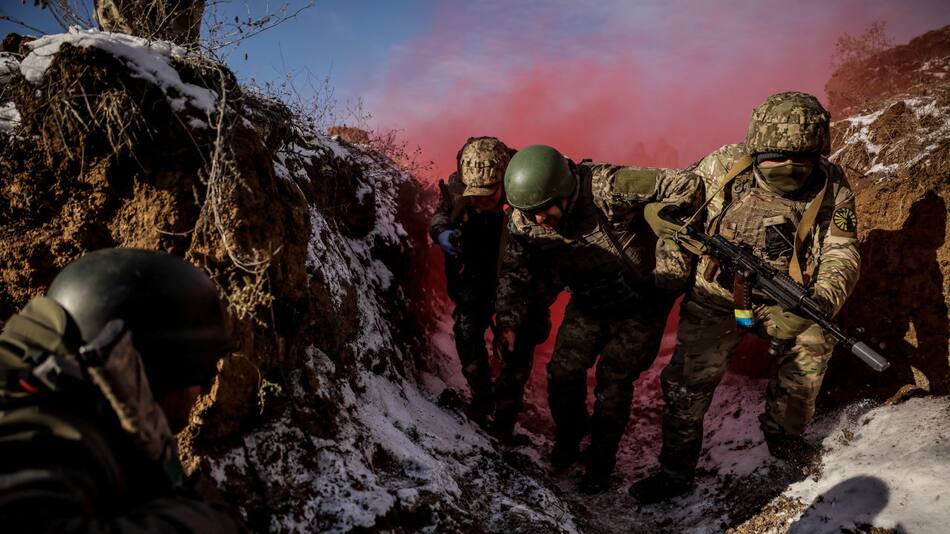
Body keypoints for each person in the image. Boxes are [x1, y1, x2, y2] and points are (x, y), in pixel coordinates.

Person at [631, 91, 862, 503]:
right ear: (755, 148)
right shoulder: (724, 165)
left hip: (781, 300)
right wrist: (658, 212)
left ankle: (784, 438)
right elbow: (677, 194)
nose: (788, 167)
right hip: (715, 295)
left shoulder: (832, 184)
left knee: (814, 342)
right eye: (775, 157)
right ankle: (675, 471)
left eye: (801, 159)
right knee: (687, 382)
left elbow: (841, 250)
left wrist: (821, 301)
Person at [495, 144, 703, 493]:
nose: (538, 221)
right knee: (563, 370)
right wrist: (508, 322)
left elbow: (687, 185)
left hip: (642, 301)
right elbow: (513, 273)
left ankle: (601, 461)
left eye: (544, 211)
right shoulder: (525, 218)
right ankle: (569, 438)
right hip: (589, 300)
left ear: (564, 192)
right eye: (530, 213)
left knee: (613, 379)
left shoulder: (607, 185)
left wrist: (668, 270)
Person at [0, 248, 244, 532]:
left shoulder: (59, 402)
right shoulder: (43, 431)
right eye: (195, 371)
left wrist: (164, 468)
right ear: (139, 370)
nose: (200, 390)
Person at [430, 137, 555, 431]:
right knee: (466, 331)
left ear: (504, 181)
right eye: (475, 195)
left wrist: (510, 321)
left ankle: (505, 421)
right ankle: (481, 399)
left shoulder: (528, 195)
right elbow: (440, 214)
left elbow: (536, 262)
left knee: (518, 349)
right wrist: (441, 233)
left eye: (487, 195)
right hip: (477, 275)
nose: (479, 201)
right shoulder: (462, 182)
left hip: (522, 284)